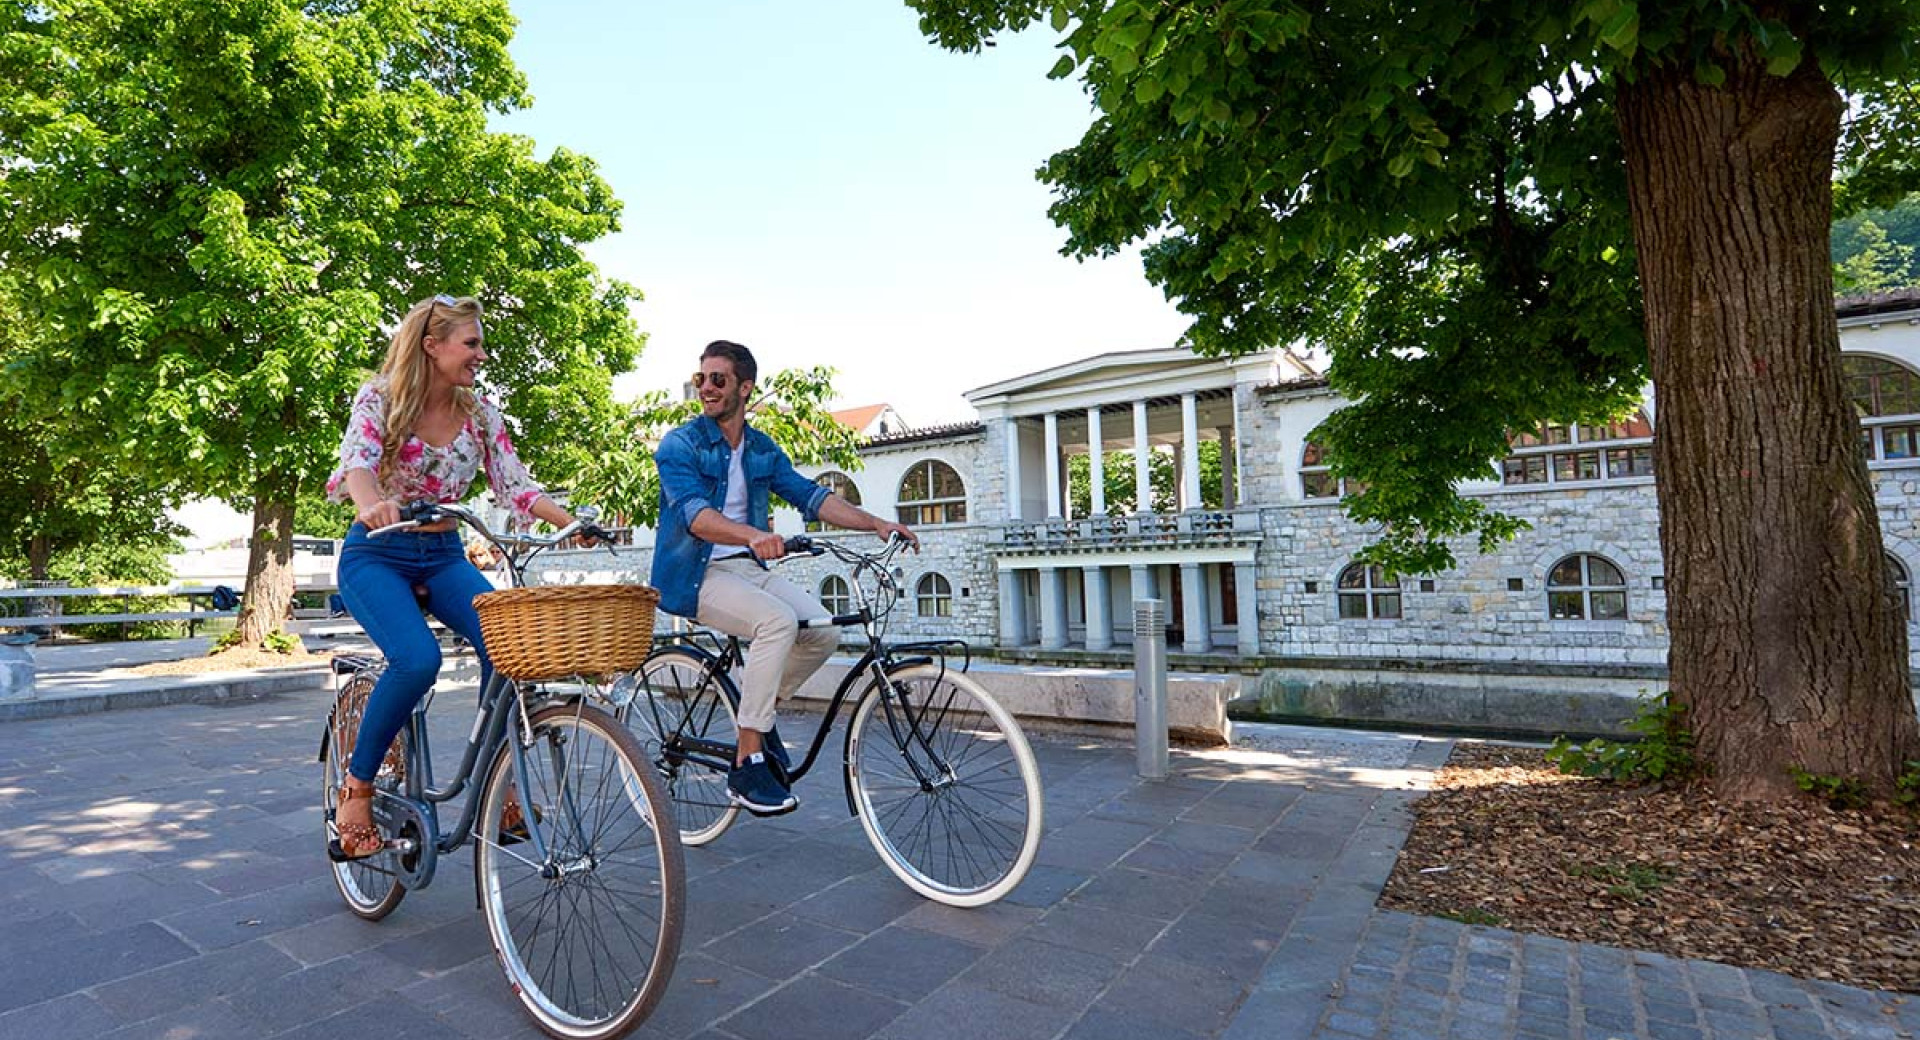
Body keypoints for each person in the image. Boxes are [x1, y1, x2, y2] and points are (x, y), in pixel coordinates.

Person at [323, 293, 588, 861]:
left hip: (444, 554)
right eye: (471, 343)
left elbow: (516, 484)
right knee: (418, 660)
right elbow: (358, 467)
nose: (481, 355)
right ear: (432, 346)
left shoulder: (480, 413)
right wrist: (372, 505)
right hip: (378, 553)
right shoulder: (381, 399)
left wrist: (576, 523)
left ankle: (503, 788)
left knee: (508, 649)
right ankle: (357, 789)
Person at [652, 340, 917, 815]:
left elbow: (812, 497)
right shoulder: (680, 444)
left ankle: (755, 709)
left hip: (747, 569)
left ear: (744, 387)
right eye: (701, 379)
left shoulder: (760, 449)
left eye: (718, 380)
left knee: (821, 629)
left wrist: (876, 522)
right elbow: (694, 515)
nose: (706, 388)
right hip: (696, 572)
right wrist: (753, 534)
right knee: (776, 621)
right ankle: (748, 758)